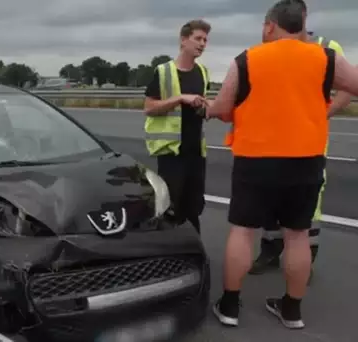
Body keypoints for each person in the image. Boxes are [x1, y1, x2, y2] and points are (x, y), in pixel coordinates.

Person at [206, 0, 358, 329]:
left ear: (270, 25)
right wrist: (322, 109)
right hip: (305, 161)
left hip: (255, 160)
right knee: (298, 236)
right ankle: (291, 310)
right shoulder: (325, 59)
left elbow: (222, 107)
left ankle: (230, 306)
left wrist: (210, 109)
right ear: (302, 25)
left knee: (243, 233)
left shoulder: (246, 59)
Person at [250, 0, 354, 279]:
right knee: (271, 197)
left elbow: (349, 87)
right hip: (273, 139)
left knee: (308, 203)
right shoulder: (271, 47)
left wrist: (324, 113)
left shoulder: (326, 47)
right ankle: (270, 250)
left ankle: (304, 262)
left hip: (309, 140)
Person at [143, 19, 211, 233]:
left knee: (194, 207)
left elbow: (200, 105)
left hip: (195, 152)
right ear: (183, 40)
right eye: (198, 38)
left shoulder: (203, 72)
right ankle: (168, 255)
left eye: (205, 40)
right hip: (172, 152)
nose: (202, 44)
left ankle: (194, 251)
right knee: (172, 207)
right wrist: (180, 98)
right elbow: (149, 108)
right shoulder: (163, 72)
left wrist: (205, 108)